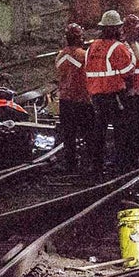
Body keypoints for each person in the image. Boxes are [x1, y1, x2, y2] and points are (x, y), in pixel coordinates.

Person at [85, 10, 137, 170]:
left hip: (96, 96)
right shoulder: (118, 48)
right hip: (114, 95)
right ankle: (120, 164)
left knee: (99, 130)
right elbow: (128, 71)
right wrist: (132, 54)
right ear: (115, 28)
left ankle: (96, 165)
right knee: (120, 130)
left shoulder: (92, 46)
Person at [55, 24, 94, 172]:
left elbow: (59, 76)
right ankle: (89, 163)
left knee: (68, 135)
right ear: (80, 38)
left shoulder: (60, 55)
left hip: (65, 100)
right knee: (88, 133)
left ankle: (70, 164)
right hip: (83, 100)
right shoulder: (83, 55)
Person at [118, 14, 139, 170]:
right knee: (130, 128)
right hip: (131, 94)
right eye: (137, 28)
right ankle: (127, 161)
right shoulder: (124, 47)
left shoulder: (138, 45)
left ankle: (134, 158)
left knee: (138, 128)